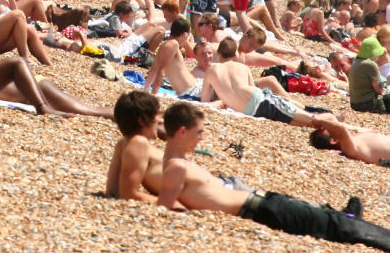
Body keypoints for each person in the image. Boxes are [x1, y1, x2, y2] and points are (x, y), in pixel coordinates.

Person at [157, 102, 390, 251]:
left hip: (262, 203)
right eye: (199, 132)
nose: (202, 138)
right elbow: (165, 209)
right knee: (334, 225)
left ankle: (352, 219)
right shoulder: (176, 167)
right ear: (182, 132)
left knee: (326, 217)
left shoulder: (179, 163)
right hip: (258, 208)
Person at [348, 36, 390, 114]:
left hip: (354, 104)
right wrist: (385, 91)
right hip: (368, 104)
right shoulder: (371, 64)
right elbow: (378, 90)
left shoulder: (356, 61)